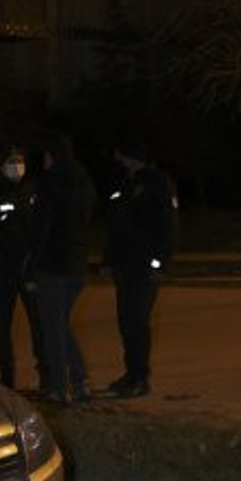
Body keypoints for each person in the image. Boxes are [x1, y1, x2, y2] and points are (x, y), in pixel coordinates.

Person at [104, 136, 175, 398]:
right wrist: (109, 259)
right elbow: (116, 225)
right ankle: (131, 373)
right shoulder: (126, 182)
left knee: (137, 321)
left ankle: (140, 377)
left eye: (120, 155)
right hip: (125, 265)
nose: (117, 160)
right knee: (126, 321)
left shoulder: (157, 182)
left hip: (143, 266)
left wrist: (159, 263)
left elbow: (167, 226)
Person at [28, 134, 93, 404]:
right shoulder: (83, 180)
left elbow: (41, 227)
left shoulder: (49, 182)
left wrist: (31, 264)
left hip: (53, 266)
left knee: (52, 328)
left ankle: (60, 385)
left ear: (52, 156)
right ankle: (80, 382)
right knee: (60, 326)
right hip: (77, 265)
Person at [0, 146, 44, 389]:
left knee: (38, 323)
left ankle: (46, 374)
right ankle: (7, 377)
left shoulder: (32, 190)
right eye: (12, 161)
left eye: (20, 160)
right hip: (1, 268)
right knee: (1, 324)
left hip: (28, 267)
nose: (17, 165)